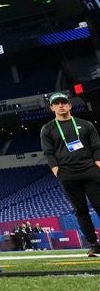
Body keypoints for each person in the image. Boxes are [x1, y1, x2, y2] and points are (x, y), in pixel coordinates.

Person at [40, 91, 100, 258]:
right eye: (57, 103)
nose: (61, 105)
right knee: (80, 210)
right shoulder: (48, 129)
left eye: (64, 102)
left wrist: (97, 165)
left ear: (70, 105)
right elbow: (48, 153)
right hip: (67, 174)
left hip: (90, 170)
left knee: (99, 203)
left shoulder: (85, 124)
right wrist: (57, 171)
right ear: (52, 107)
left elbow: (96, 147)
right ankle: (94, 245)